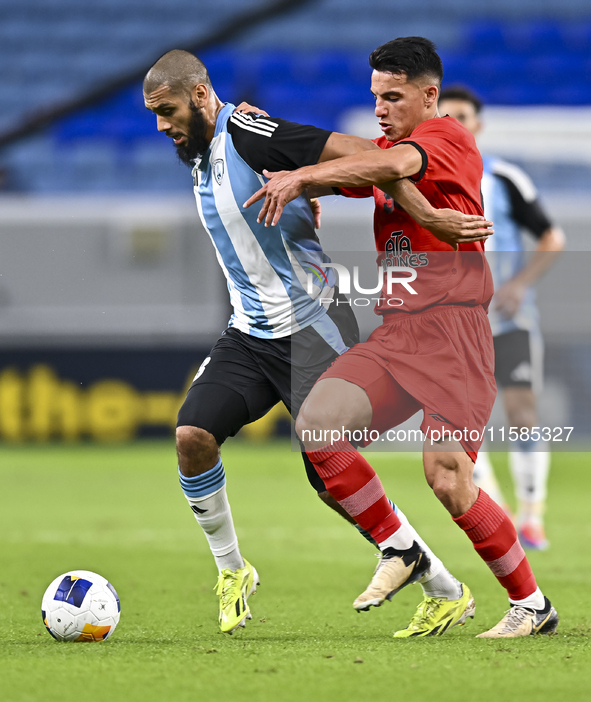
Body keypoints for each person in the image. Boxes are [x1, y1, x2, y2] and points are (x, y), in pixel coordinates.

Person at [142, 50, 490, 637]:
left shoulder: (248, 130)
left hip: (313, 324)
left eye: (168, 110)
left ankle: (442, 586)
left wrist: (427, 213)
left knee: (333, 480)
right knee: (192, 437)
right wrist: (304, 194)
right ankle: (233, 570)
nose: (161, 125)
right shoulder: (200, 153)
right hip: (251, 331)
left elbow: (373, 157)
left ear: (201, 96)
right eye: (154, 114)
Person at [246, 37, 559, 638]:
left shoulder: (448, 139)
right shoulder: (393, 148)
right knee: (317, 424)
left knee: (447, 478)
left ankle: (531, 605)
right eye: (375, 98)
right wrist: (299, 181)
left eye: (393, 96)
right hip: (398, 334)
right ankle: (400, 548)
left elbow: (388, 167)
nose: (380, 109)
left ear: (429, 94)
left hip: (455, 336)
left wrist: (306, 174)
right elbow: (365, 169)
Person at [438, 87, 566, 550]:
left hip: (510, 320)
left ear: (478, 125)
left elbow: (551, 236)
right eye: (446, 117)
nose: (456, 123)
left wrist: (518, 284)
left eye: (463, 117)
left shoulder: (505, 177)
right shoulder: (422, 178)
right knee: (465, 421)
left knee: (522, 412)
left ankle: (533, 513)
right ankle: (502, 514)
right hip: (455, 326)